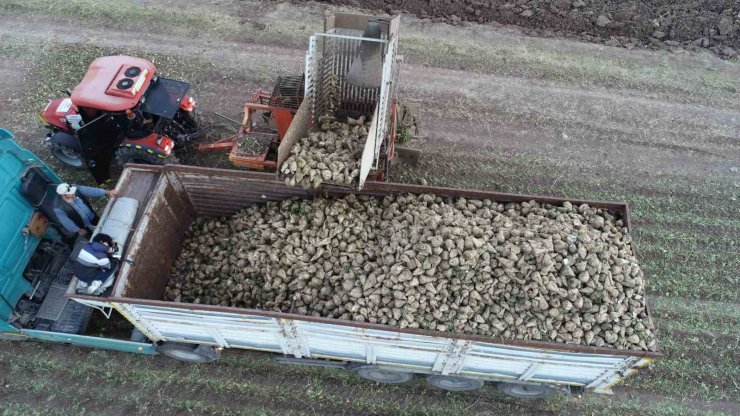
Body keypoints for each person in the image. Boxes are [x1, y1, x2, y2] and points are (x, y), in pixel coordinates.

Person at [53, 183, 118, 237]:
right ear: (64, 195)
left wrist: (107, 192)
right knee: (96, 237)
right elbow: (66, 222)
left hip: (93, 217)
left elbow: (90, 190)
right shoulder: (58, 207)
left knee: (104, 227)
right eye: (71, 193)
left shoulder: (75, 189)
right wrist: (78, 230)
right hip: (84, 226)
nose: (74, 193)